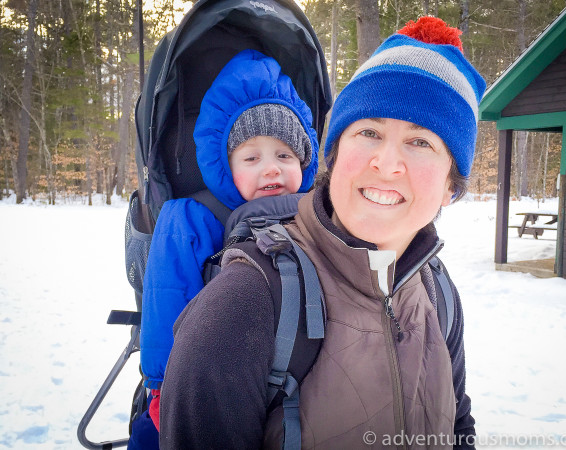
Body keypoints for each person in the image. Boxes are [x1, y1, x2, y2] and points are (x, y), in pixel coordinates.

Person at [159, 17, 486, 449]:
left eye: (421, 141)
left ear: (450, 186)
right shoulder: (245, 303)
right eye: (368, 132)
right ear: (334, 157)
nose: (387, 165)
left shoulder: (436, 291)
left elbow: (458, 427)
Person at [136, 49, 319, 441]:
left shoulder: (315, 212)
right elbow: (167, 297)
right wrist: (164, 383)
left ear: (304, 161)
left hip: (301, 372)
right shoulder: (195, 217)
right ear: (225, 164)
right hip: (210, 374)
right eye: (251, 157)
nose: (270, 167)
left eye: (284, 155)